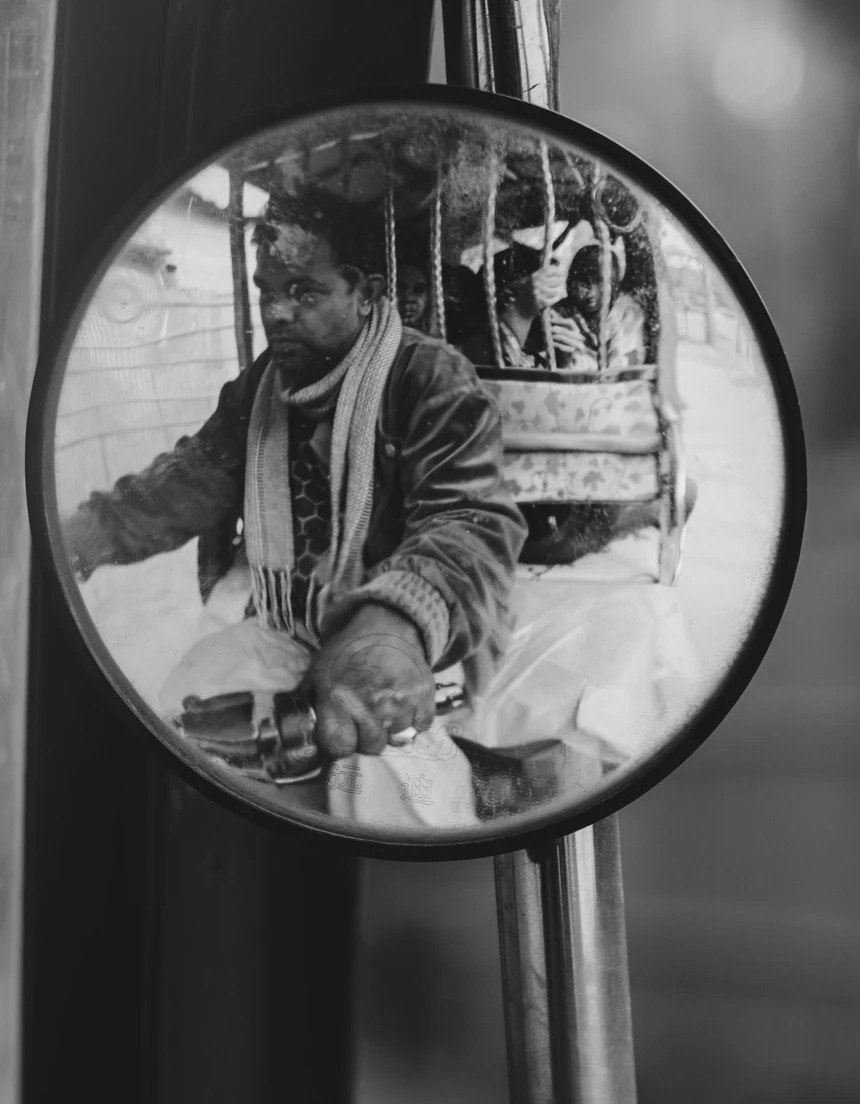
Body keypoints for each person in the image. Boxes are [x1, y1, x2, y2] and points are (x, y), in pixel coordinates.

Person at [63, 186, 527, 824]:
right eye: (267, 291)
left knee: (386, 795)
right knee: (181, 724)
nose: (276, 312)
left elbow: (470, 523)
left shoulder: (431, 379)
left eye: (304, 292)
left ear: (364, 293)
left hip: (409, 657)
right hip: (284, 629)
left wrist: (392, 628)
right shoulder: (260, 386)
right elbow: (186, 481)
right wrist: (76, 538)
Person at [459, 242, 595, 370]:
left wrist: (563, 360)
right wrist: (521, 313)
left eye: (542, 298)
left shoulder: (541, 349)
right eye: (532, 296)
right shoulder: (471, 349)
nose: (539, 309)